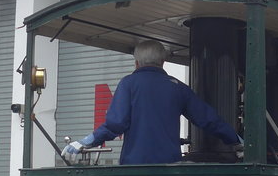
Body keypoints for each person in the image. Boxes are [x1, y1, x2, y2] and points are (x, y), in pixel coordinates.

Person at [61, 40, 241, 165]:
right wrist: (236, 141)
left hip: (135, 168)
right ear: (163, 62)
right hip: (170, 169)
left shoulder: (128, 84)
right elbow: (208, 119)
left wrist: (85, 142)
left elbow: (116, 124)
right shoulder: (177, 87)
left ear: (136, 63)